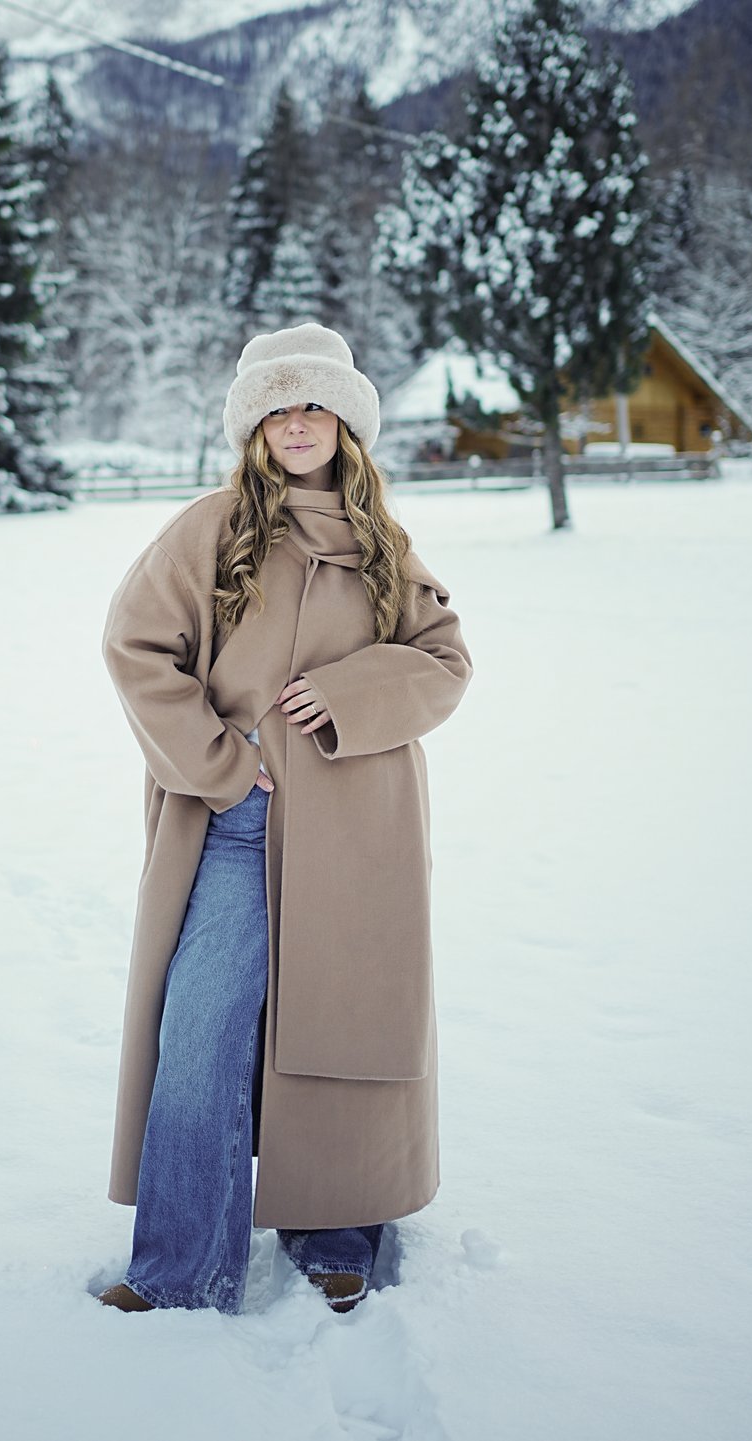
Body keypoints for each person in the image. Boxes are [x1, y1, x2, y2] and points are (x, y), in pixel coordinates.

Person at [97, 322, 473, 1316]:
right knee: (203, 1036)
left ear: (345, 424)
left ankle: (339, 1236)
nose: (296, 423)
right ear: (255, 429)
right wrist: (218, 766)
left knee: (343, 1029)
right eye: (277, 408)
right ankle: (179, 1266)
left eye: (313, 405)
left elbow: (444, 664)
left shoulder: (384, 542)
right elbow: (136, 647)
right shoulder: (212, 526)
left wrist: (354, 690)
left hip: (359, 835)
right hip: (234, 824)